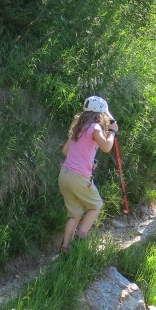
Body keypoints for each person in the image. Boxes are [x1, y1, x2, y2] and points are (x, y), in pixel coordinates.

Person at [57, 95, 119, 256]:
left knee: (75, 214)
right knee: (96, 205)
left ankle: (65, 249)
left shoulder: (78, 128)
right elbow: (106, 147)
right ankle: (80, 239)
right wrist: (112, 132)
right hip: (79, 177)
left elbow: (65, 151)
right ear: (100, 114)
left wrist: (87, 161)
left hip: (65, 174)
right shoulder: (95, 127)